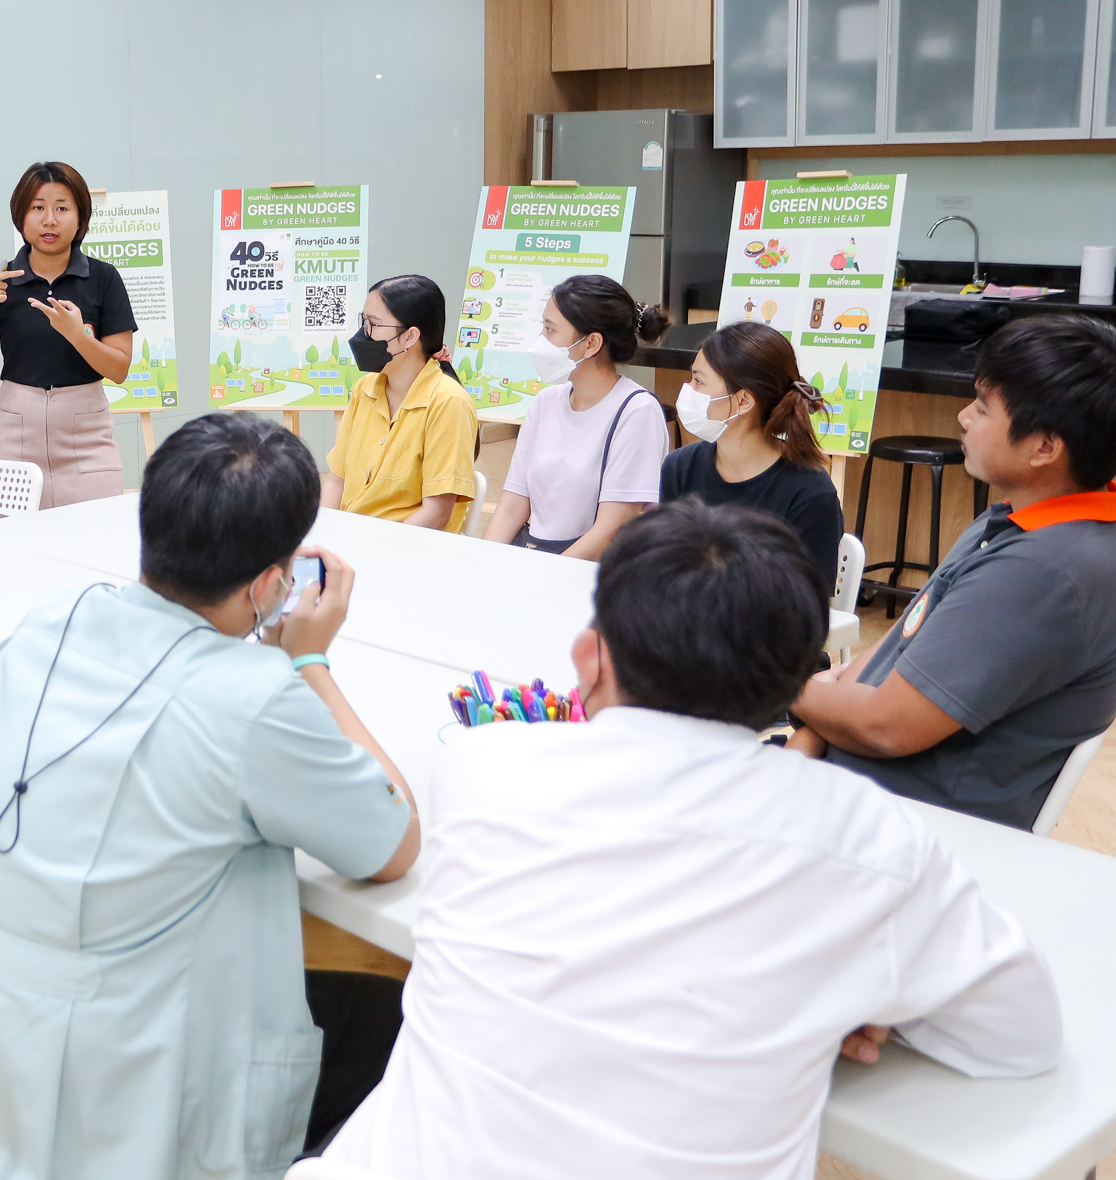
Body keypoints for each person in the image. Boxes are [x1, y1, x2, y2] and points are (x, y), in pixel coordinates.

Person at [326, 501, 1063, 1180]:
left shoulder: (482, 766)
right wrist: (835, 985)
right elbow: (1021, 1038)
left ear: (589, 656)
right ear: (801, 681)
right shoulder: (864, 837)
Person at [0, 412, 420, 1180]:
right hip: (112, 1103)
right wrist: (308, 662)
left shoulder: (54, 618)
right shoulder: (255, 699)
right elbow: (392, 841)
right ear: (273, 583)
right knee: (396, 1017)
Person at [789, 315, 1116, 830]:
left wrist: (772, 685)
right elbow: (896, 647)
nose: (963, 416)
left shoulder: (1043, 572)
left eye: (984, 408)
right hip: (850, 787)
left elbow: (885, 728)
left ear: (1044, 447)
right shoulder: (1016, 517)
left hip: (909, 826)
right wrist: (807, 730)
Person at [0, 161, 136, 508]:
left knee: (91, 548)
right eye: (38, 207)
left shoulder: (104, 278)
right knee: (14, 552)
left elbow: (118, 369)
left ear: (80, 218)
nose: (50, 220)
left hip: (86, 443)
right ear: (21, 216)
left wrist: (78, 336)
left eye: (62, 208)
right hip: (13, 439)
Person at [481, 274, 670, 556]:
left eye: (550, 330)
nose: (540, 341)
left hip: (590, 575)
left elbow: (612, 528)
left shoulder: (636, 411)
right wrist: (481, 563)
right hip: (534, 560)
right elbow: (512, 507)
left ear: (591, 343)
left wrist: (544, 580)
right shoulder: (545, 402)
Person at [662, 321, 845, 587]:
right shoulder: (680, 467)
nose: (688, 390)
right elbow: (663, 571)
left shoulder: (810, 494)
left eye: (699, 381)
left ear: (744, 401)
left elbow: (808, 610)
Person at [323, 274, 479, 532]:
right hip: (353, 541)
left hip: (405, 551)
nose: (364, 334)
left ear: (410, 337)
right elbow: (336, 481)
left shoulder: (448, 403)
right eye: (363, 321)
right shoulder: (364, 390)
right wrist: (323, 537)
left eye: (373, 324)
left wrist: (368, 550)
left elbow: (436, 513)